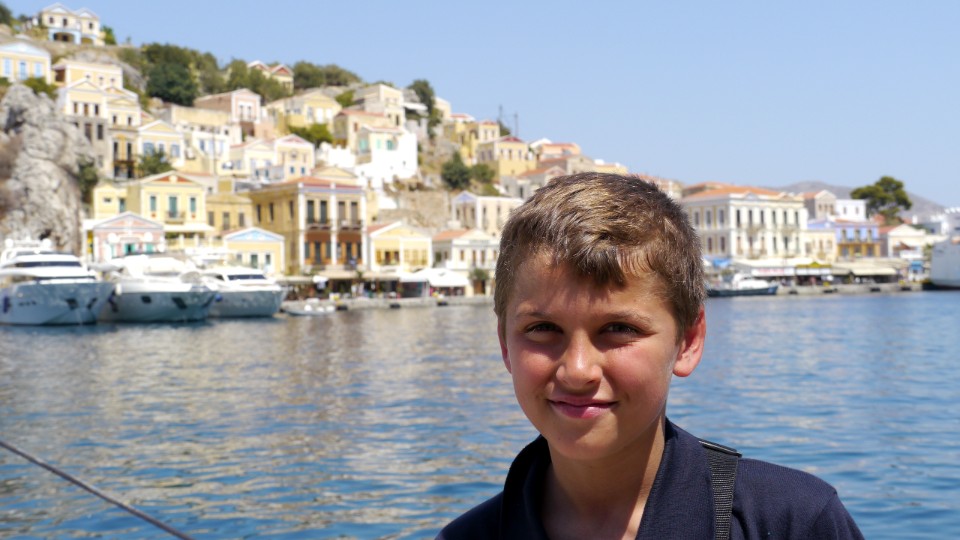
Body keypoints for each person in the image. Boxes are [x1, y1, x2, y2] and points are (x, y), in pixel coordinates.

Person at [437, 173, 863, 539]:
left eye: (619, 329)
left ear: (688, 341)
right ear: (505, 344)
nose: (577, 370)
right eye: (542, 329)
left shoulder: (792, 520)